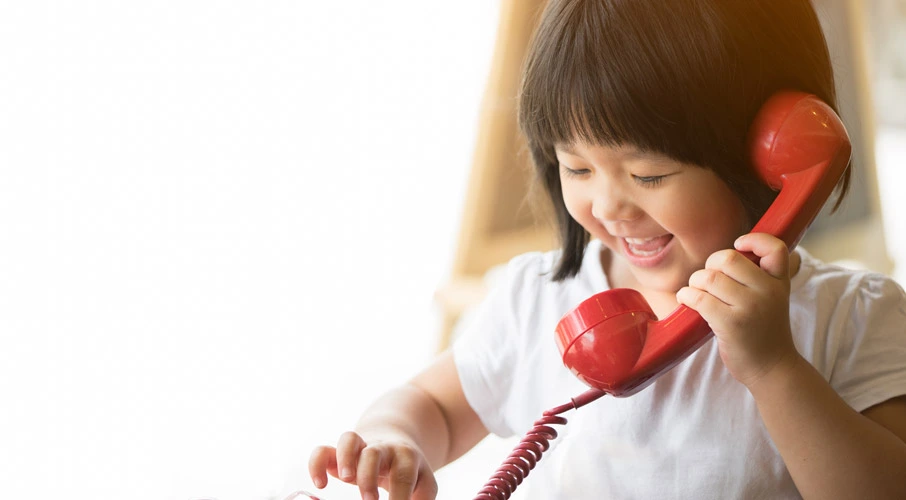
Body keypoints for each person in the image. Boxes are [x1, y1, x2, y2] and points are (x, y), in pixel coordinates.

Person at [308, 1, 906, 498]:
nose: (610, 206)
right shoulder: (537, 299)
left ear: (767, 152)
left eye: (649, 175)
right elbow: (433, 406)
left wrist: (774, 369)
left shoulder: (853, 319)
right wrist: (394, 439)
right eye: (576, 167)